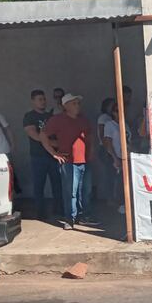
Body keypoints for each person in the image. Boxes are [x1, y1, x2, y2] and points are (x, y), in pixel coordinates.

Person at [42, 94, 97, 230]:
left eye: (78, 103)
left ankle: (85, 216)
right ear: (65, 105)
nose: (77, 106)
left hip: (85, 160)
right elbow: (43, 135)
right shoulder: (57, 120)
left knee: (86, 190)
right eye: (74, 103)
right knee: (70, 191)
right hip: (69, 161)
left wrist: (92, 151)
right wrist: (53, 153)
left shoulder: (83, 119)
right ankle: (70, 218)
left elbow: (90, 136)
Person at [23, 89, 62, 220]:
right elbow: (33, 134)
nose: (43, 102)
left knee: (57, 184)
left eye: (44, 99)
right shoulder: (29, 116)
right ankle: (40, 213)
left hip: (53, 156)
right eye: (39, 99)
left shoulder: (50, 116)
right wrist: (51, 143)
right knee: (39, 185)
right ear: (33, 101)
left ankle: (59, 210)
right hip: (38, 156)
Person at [102, 101, 131, 215]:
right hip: (115, 157)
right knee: (116, 182)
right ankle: (118, 205)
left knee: (125, 182)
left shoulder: (125, 125)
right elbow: (108, 142)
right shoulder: (110, 124)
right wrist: (115, 158)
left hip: (126, 156)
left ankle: (125, 203)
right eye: (118, 111)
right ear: (113, 112)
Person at [96, 98, 118, 204]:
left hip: (111, 148)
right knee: (109, 174)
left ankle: (112, 197)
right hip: (106, 149)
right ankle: (109, 198)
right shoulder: (104, 118)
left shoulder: (110, 118)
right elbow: (102, 134)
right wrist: (107, 148)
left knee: (112, 175)